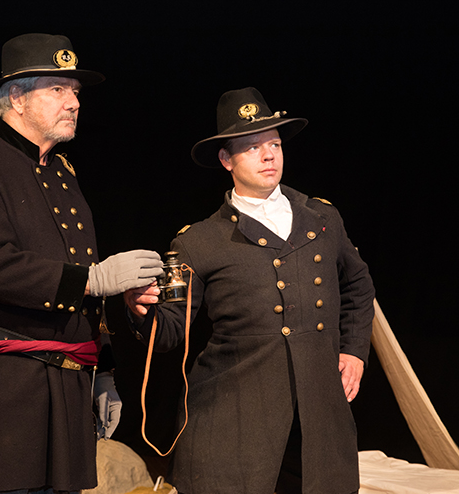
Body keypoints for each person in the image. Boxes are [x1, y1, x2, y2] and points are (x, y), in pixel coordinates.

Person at [0, 33, 163, 494]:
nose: (74, 102)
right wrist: (95, 279)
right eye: (57, 89)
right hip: (8, 383)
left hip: (69, 379)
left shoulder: (62, 171)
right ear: (16, 98)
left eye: (75, 91)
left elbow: (81, 281)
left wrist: (105, 371)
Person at [124, 87, 375, 494]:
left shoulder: (323, 216)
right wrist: (141, 309)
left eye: (273, 144)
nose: (268, 155)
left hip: (318, 413)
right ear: (226, 160)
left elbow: (359, 285)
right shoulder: (199, 241)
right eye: (252, 147)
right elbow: (170, 331)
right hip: (235, 416)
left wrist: (353, 349)